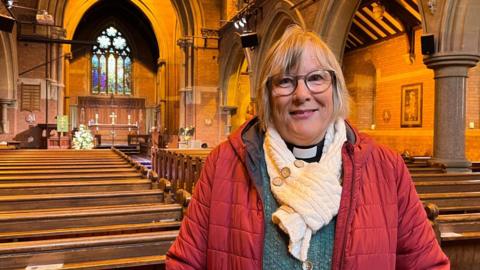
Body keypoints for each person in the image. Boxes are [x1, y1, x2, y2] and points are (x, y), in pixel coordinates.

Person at [166, 25, 449, 270]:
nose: (302, 94)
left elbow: (426, 264)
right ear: (267, 95)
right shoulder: (224, 163)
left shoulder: (386, 167)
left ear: (335, 88)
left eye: (316, 78)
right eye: (285, 81)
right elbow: (185, 262)